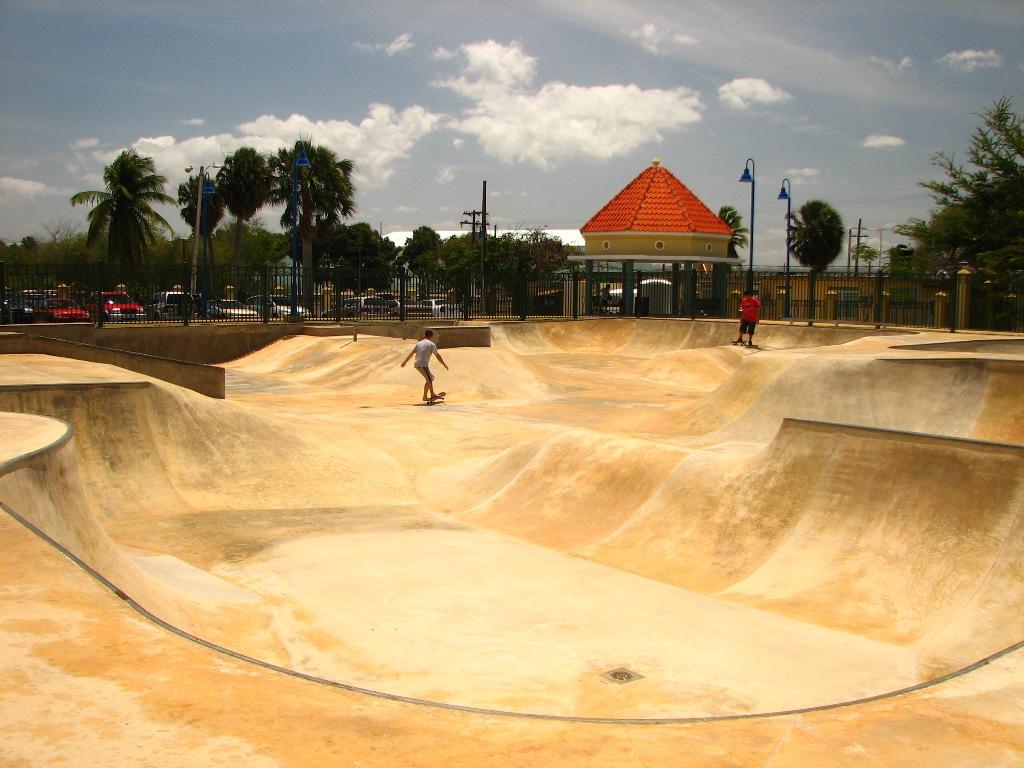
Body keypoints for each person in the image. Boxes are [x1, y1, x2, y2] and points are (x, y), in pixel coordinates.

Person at [401, 329, 449, 402]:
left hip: (418, 364)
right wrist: (444, 364)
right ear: (431, 336)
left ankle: (425, 397)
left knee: (430, 378)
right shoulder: (431, 344)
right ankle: (432, 394)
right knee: (430, 379)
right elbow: (437, 355)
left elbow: (411, 353)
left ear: (424, 335)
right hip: (422, 364)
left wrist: (405, 362)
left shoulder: (419, 343)